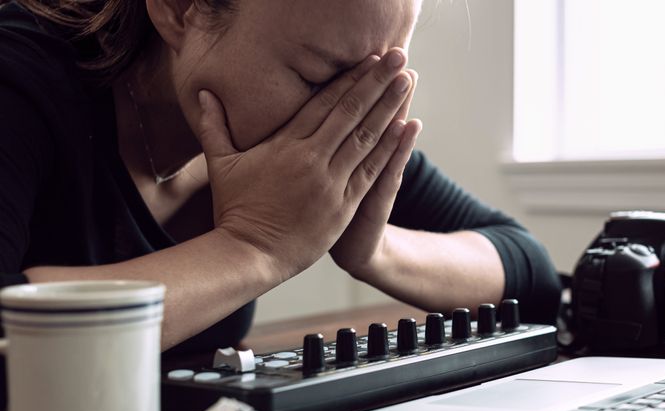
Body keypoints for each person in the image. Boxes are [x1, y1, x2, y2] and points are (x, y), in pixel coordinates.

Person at [0, 0, 560, 376]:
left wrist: (375, 249)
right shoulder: (19, 79)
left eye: (374, 81)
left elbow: (527, 270)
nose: (347, 111)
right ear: (178, 9)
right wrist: (254, 246)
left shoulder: (327, 120)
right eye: (316, 76)